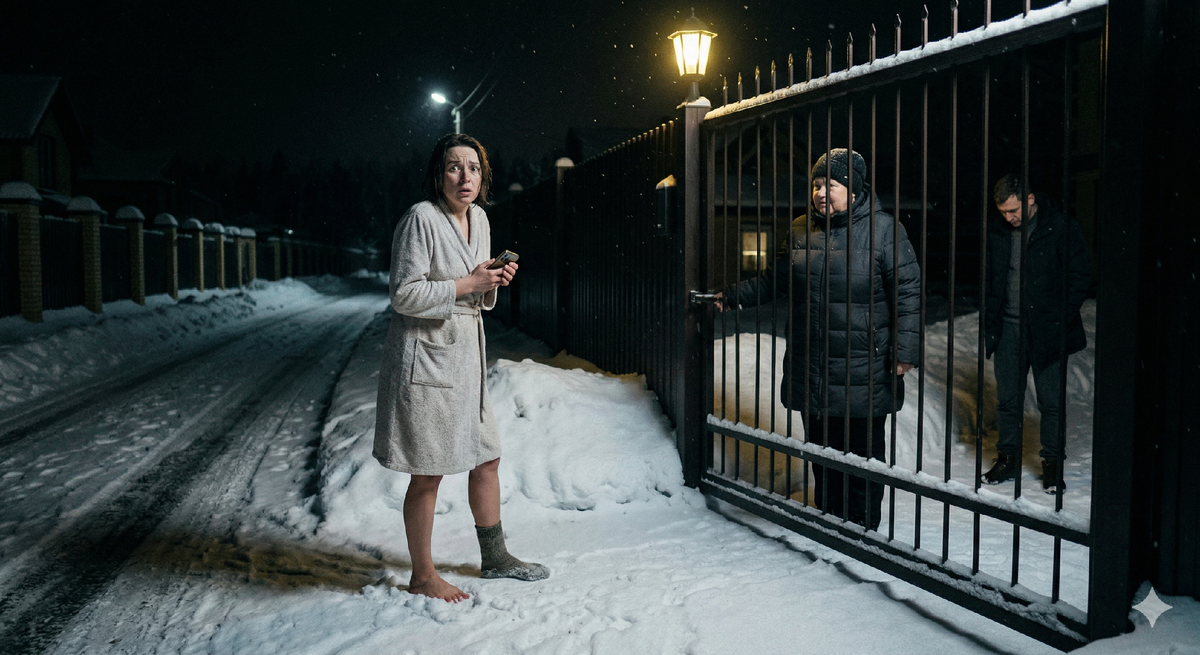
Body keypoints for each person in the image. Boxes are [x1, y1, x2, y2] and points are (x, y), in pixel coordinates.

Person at [374, 133, 548, 602]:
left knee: (486, 456)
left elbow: (475, 290)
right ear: (439, 175)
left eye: (473, 168)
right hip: (426, 355)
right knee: (427, 471)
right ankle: (422, 575)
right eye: (454, 167)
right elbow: (403, 294)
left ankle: (495, 557)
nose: (464, 177)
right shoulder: (420, 219)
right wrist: (468, 282)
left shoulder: (481, 219)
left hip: (466, 354)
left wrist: (491, 281)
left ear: (482, 176)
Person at [717, 148, 921, 529]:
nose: (821, 193)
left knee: (862, 458)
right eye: (816, 185)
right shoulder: (801, 230)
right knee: (822, 454)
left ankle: (861, 527)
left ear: (854, 190)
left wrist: (904, 352)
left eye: (831, 185)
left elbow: (908, 293)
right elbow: (775, 280)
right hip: (812, 365)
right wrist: (731, 296)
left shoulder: (884, 232)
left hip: (863, 368)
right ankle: (830, 521)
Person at [982, 175, 1092, 493]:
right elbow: (991, 276)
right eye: (1003, 212)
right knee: (1008, 400)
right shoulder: (999, 230)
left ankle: (1053, 464)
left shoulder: (1060, 226)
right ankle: (1008, 459)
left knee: (1051, 402)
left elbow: (1080, 275)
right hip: (1008, 329)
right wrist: (992, 319)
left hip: (1048, 330)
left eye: (1013, 210)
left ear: (1030, 199)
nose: (1008, 218)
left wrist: (1058, 318)